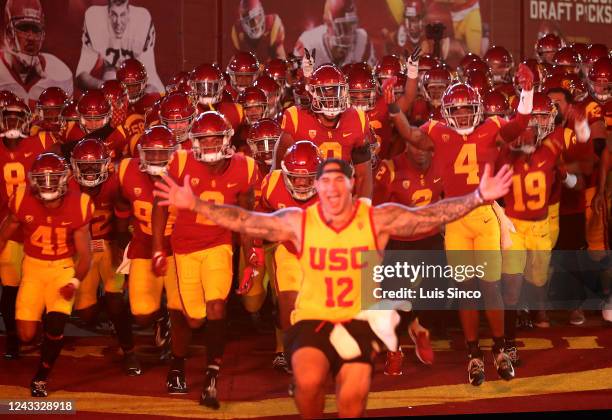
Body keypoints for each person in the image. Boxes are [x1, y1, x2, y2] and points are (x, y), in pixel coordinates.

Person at [153, 157, 513, 418]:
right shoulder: (299, 221)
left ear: (351, 185)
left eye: (339, 180)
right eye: (325, 181)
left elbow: (431, 215)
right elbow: (248, 220)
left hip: (357, 322)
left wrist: (478, 196)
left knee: (351, 400)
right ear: (317, 188)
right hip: (312, 319)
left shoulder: (375, 218)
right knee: (309, 383)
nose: (332, 188)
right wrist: (196, 204)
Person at [0, 153, 93, 397]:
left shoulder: (80, 203)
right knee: (26, 336)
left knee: (56, 323)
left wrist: (74, 281)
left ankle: (42, 375)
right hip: (32, 267)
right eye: (42, 179)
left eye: (53, 179)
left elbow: (85, 257)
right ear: (33, 181)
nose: (49, 185)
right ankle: (46, 334)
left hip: (62, 268)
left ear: (64, 181)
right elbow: (4, 234)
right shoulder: (21, 199)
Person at [75, 0, 163, 93]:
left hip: (138, 85)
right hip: (110, 80)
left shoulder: (142, 20)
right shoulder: (94, 19)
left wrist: (133, 94)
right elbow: (81, 75)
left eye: (122, 14)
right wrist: (105, 86)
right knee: (110, 76)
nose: (118, 22)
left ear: (129, 13)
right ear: (108, 13)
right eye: (114, 14)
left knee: (153, 94)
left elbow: (150, 81)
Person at [0, 0, 73, 105]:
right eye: (23, 27)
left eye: (35, 29)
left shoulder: (59, 74)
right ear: (9, 33)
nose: (31, 37)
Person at [293, 0, 376, 69]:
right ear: (328, 24)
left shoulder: (362, 40)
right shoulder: (308, 45)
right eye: (343, 26)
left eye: (351, 25)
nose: (349, 31)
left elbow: (370, 83)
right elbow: (300, 86)